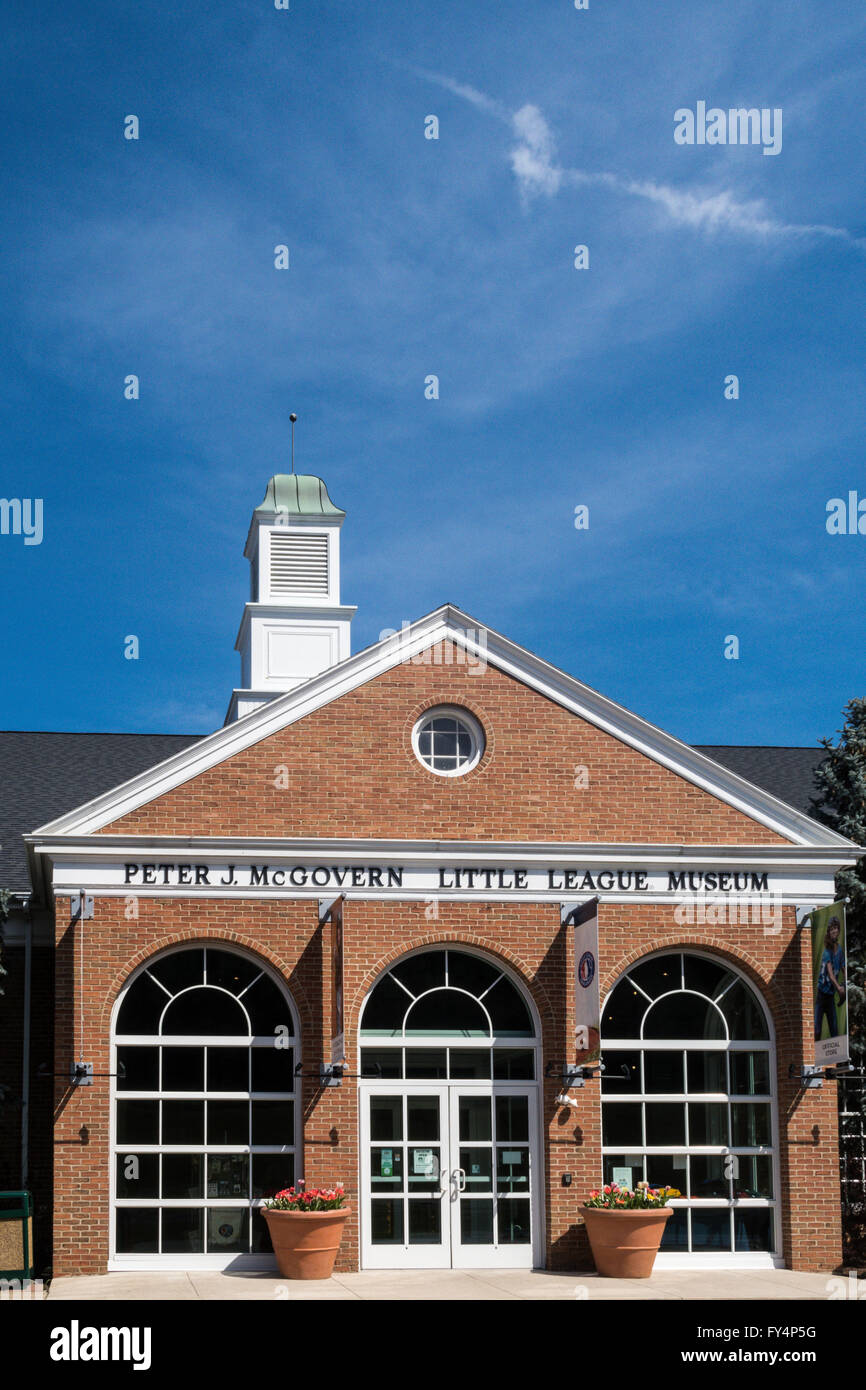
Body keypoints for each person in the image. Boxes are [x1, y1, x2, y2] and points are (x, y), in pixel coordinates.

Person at [814, 916, 845, 1041]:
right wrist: (839, 988)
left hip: (831, 997)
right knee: (817, 1030)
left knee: (834, 1030)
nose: (834, 931)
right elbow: (831, 974)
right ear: (828, 931)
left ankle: (838, 1059)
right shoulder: (827, 951)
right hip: (822, 995)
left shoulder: (840, 950)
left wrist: (846, 983)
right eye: (832, 929)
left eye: (836, 928)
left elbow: (843, 967)